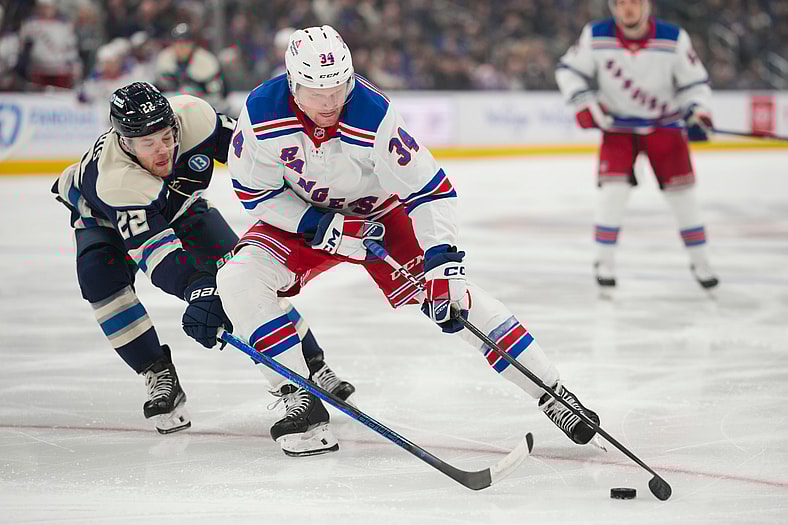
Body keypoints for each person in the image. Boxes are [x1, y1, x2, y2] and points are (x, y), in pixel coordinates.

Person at [210, 25, 600, 457]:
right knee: (238, 278)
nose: (330, 103)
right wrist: (313, 223)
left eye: (339, 88)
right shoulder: (262, 112)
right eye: (316, 92)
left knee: (455, 300)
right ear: (292, 82)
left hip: (380, 216)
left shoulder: (373, 114)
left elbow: (429, 189)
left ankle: (554, 393)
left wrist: (442, 264)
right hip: (302, 220)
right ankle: (299, 396)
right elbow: (254, 192)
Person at [51, 82, 354, 435]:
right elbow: (157, 254)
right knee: (99, 279)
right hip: (101, 215)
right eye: (148, 144)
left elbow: (258, 154)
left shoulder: (196, 118)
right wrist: (198, 289)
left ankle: (313, 364)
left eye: (166, 137)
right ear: (125, 143)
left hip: (182, 206)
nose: (162, 151)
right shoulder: (116, 179)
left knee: (246, 276)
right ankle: (156, 370)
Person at [555, 0, 719, 291]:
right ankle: (603, 263)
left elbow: (695, 83)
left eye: (634, 2)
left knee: (684, 200)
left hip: (665, 129)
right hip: (618, 129)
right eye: (620, 3)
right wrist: (582, 101)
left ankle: (702, 262)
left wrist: (697, 110)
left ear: (647, 5)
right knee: (612, 197)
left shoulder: (673, 38)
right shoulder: (595, 35)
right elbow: (568, 70)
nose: (627, 9)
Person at [154, 23, 225, 107]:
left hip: (203, 104)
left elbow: (216, 95)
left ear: (193, 44)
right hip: (173, 104)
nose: (182, 46)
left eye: (186, 43)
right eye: (178, 42)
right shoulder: (164, 58)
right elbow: (160, 88)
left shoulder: (207, 61)